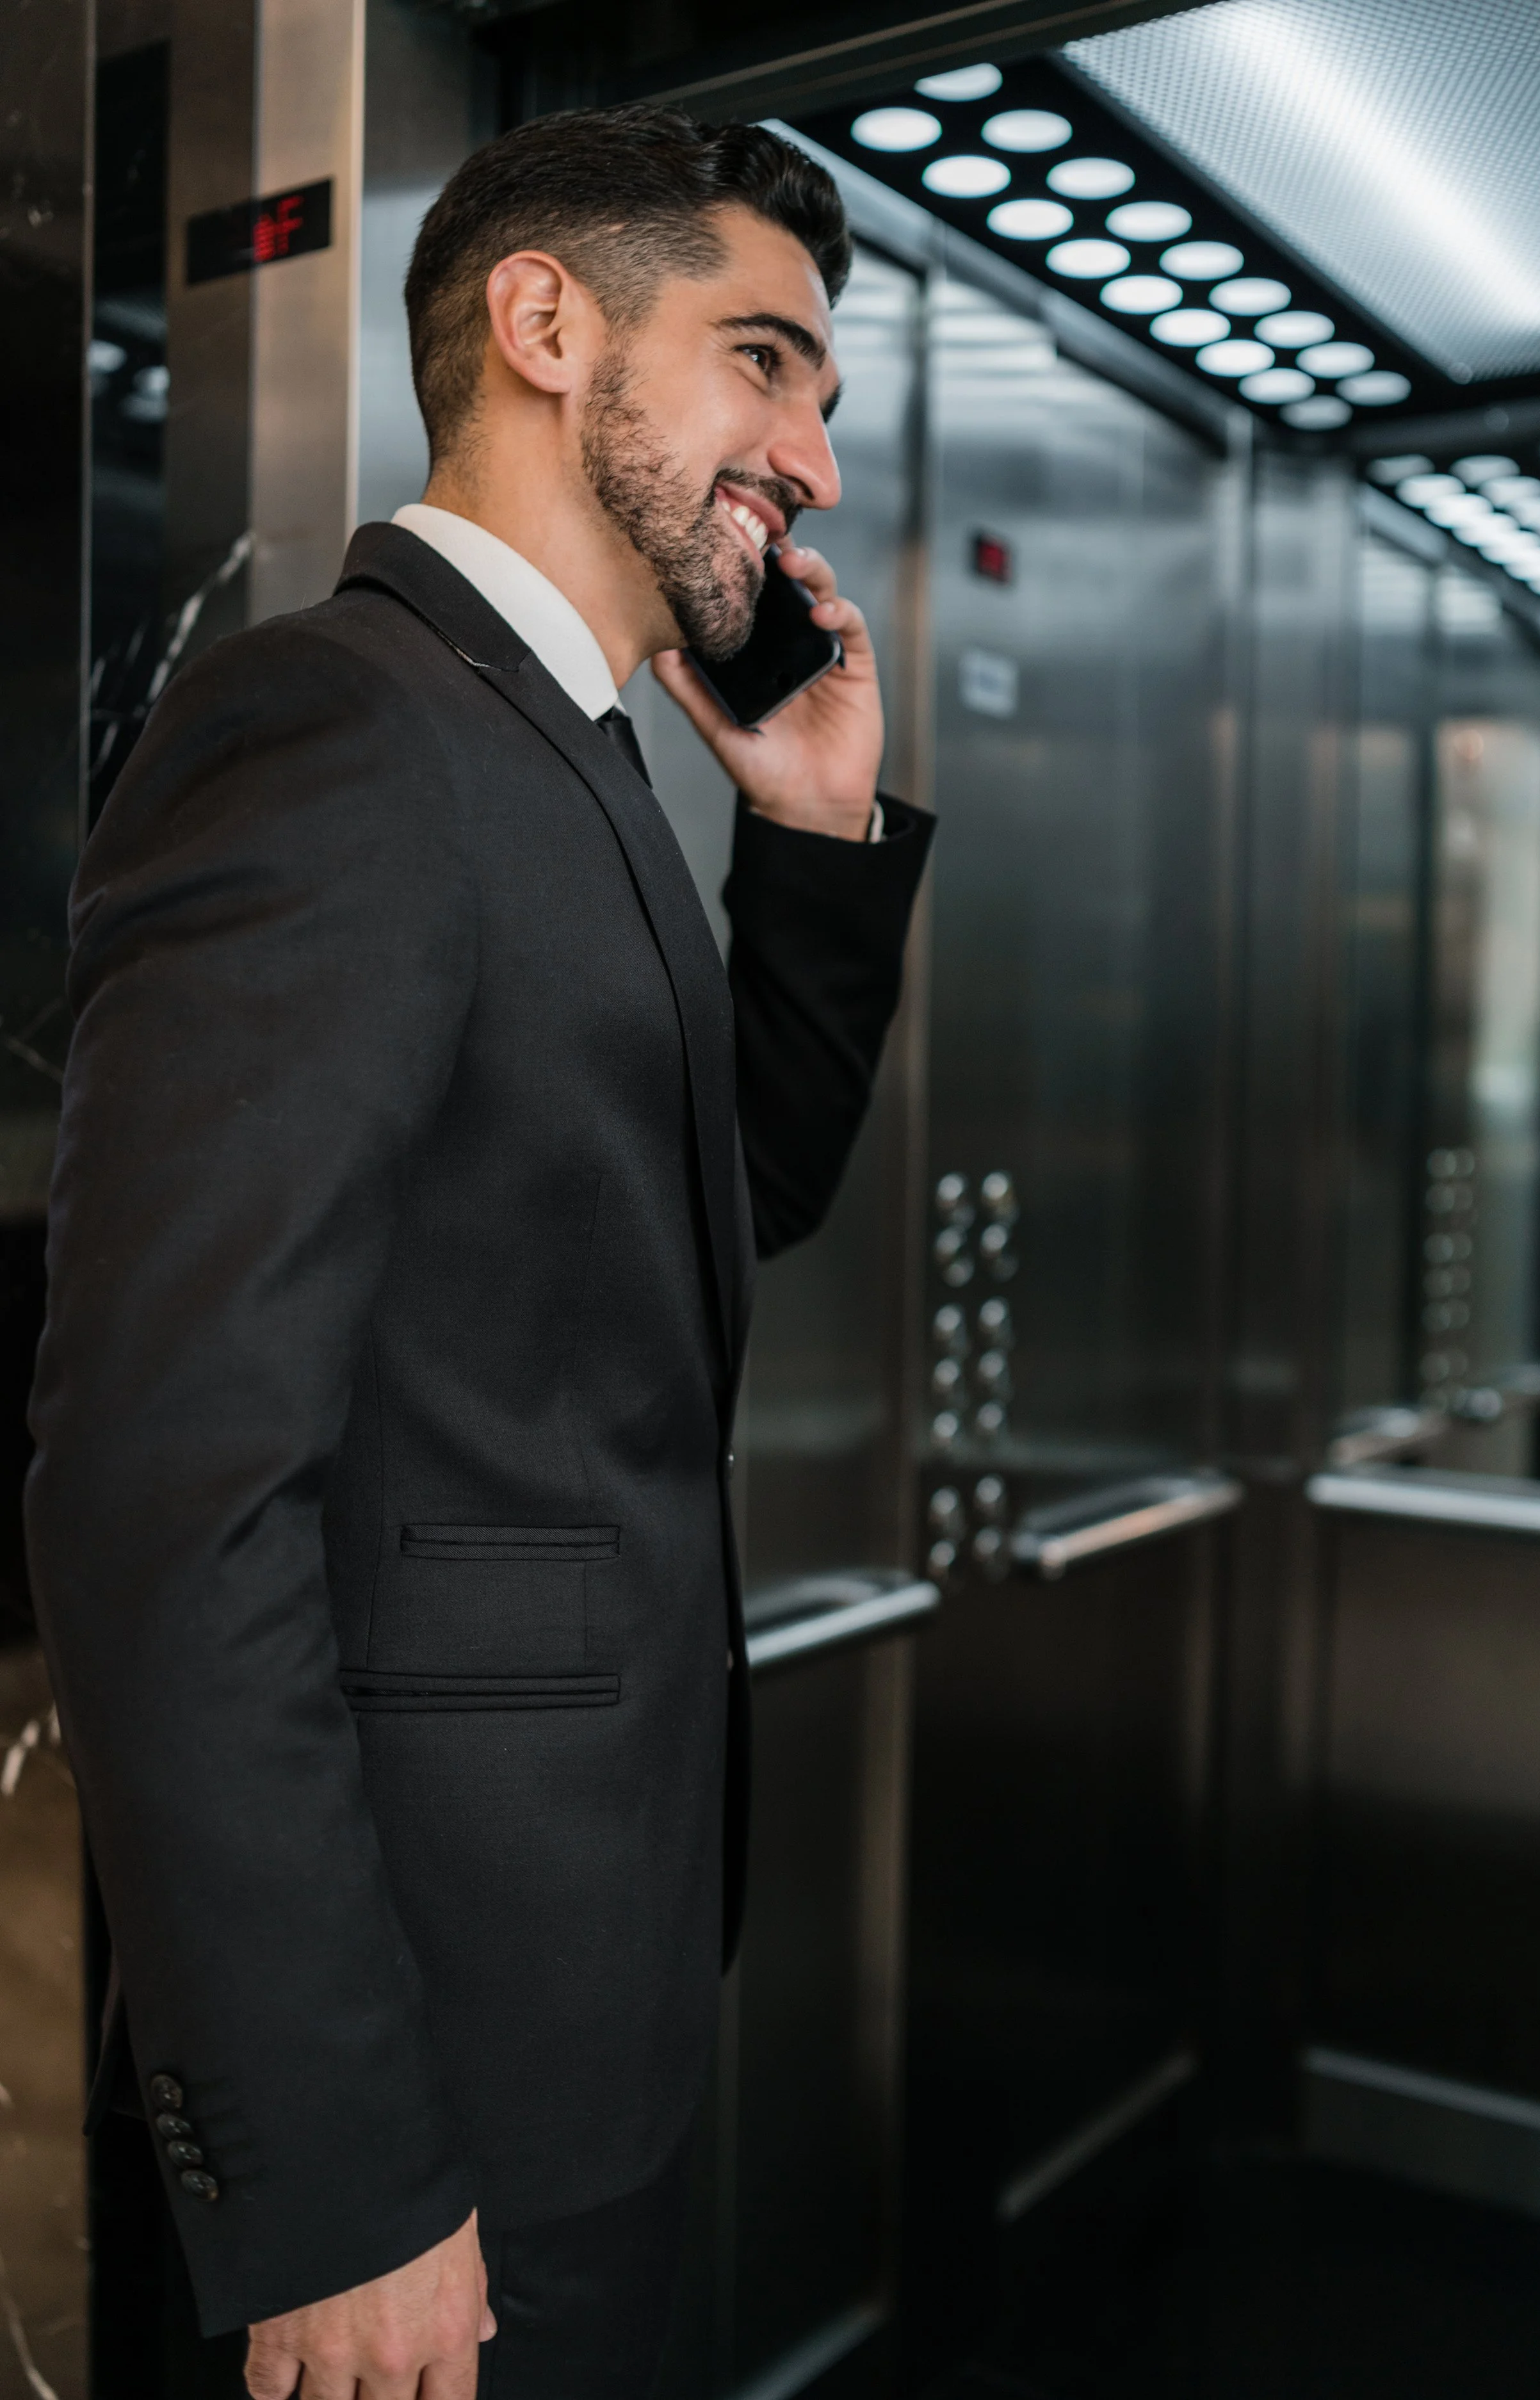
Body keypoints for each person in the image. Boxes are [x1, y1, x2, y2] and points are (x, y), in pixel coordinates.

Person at [25, 106, 931, 2396]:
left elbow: (701, 1214)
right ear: (544, 324)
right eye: (764, 362)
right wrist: (328, 2170)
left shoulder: (573, 761)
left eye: (820, 395)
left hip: (568, 2024)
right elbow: (162, 1488)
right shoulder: (331, 726)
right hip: (402, 2112)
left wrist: (811, 840)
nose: (810, 457)